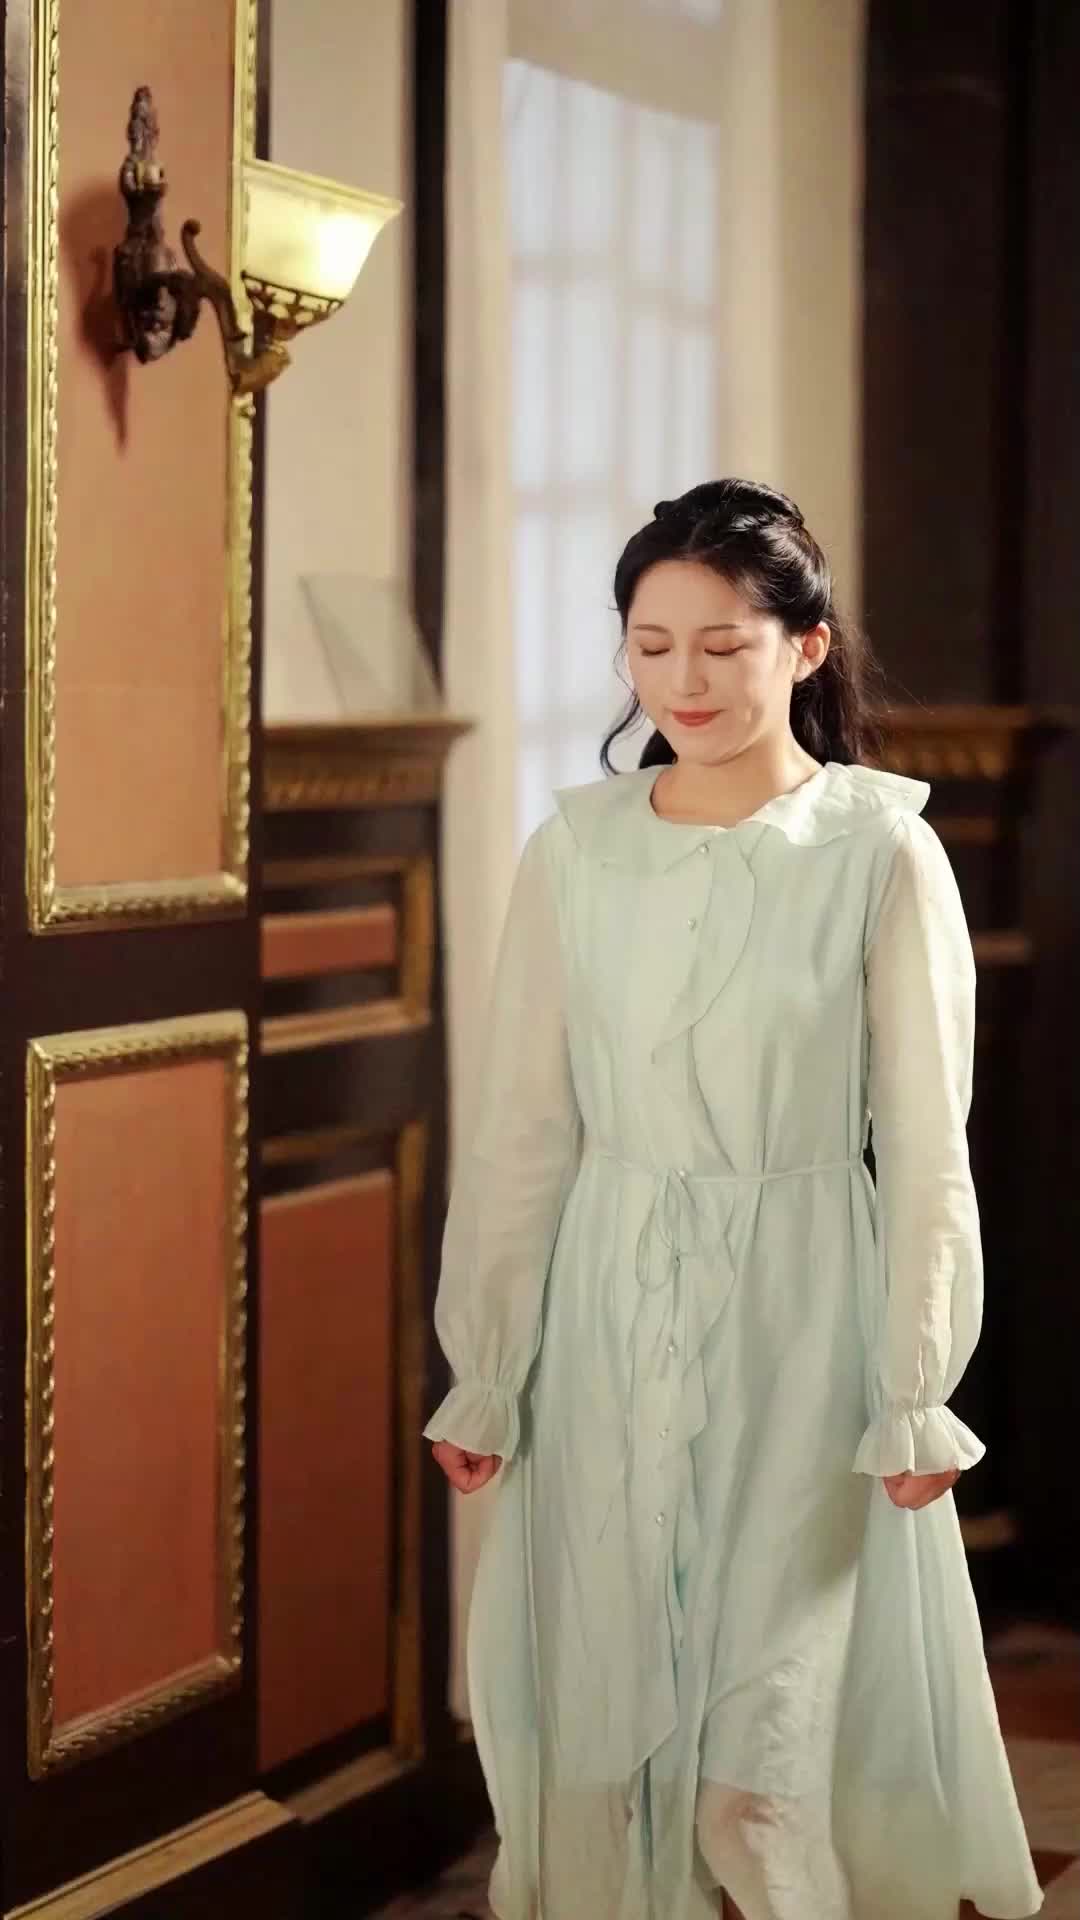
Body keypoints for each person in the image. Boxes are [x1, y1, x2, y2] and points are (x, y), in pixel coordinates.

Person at [424, 480, 1042, 1919]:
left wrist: (915, 1384)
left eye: (721, 644)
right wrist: (490, 1365)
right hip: (604, 1332)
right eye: (650, 646)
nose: (681, 681)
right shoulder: (576, 851)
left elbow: (927, 1146)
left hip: (807, 1334)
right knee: (604, 1767)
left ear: (805, 648)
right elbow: (522, 1131)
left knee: (754, 1798)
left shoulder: (881, 849)